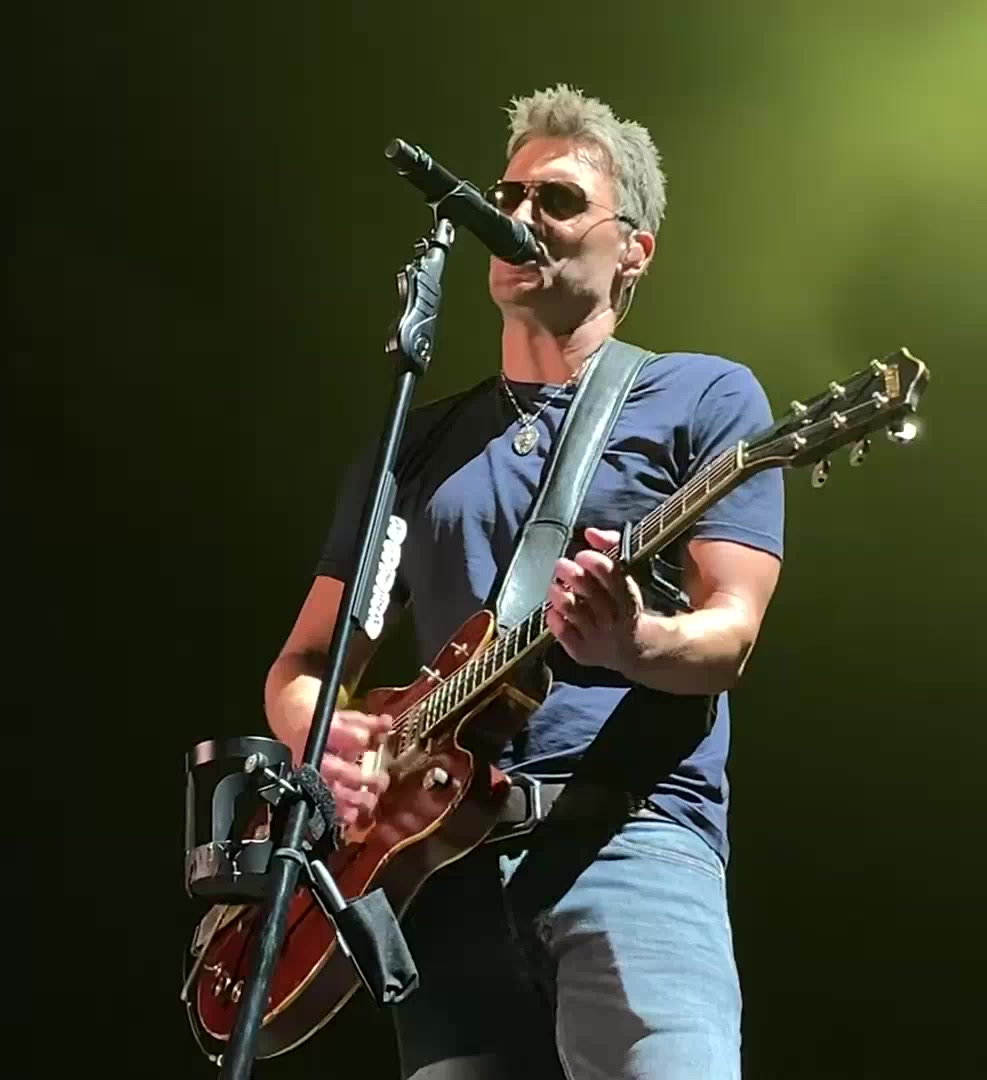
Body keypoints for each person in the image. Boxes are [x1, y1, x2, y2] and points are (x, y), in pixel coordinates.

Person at [263, 84, 785, 1079]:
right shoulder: (417, 445)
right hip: (438, 871)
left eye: (558, 200)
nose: (519, 216)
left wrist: (634, 640)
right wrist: (321, 733)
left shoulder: (702, 396)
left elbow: (732, 633)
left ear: (633, 249)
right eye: (508, 196)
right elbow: (306, 668)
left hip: (630, 837)